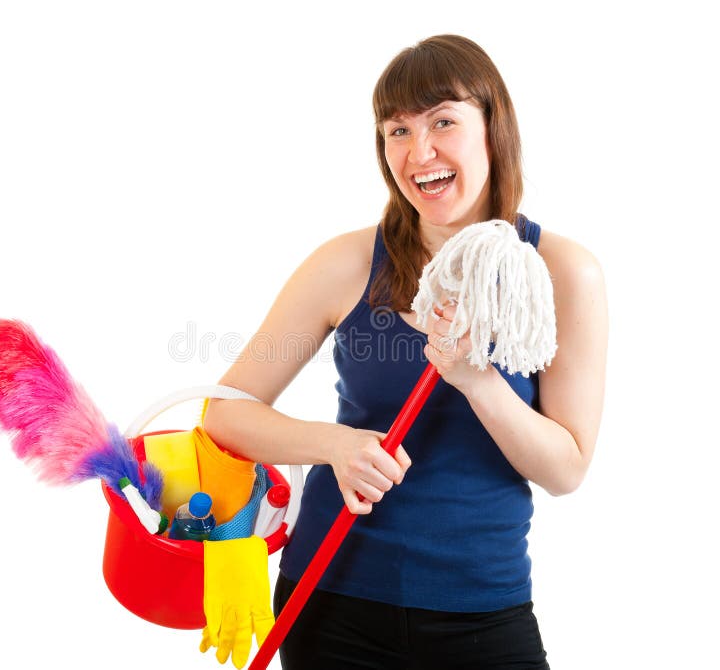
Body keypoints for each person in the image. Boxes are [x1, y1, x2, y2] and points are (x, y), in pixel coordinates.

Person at [203, 34, 608, 669]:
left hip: (482, 612)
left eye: (443, 121)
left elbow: (567, 470)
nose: (420, 152)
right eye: (397, 130)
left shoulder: (559, 272)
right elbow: (225, 412)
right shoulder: (345, 264)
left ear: (492, 126)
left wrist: (480, 382)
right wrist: (336, 446)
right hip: (331, 598)